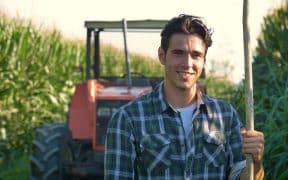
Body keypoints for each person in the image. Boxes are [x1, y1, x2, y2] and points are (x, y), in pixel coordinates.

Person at [104, 14, 264, 179]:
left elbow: (243, 177)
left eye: (196, 55)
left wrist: (256, 162)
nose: (187, 63)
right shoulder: (128, 119)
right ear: (162, 55)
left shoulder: (225, 116)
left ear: (203, 60)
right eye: (178, 53)